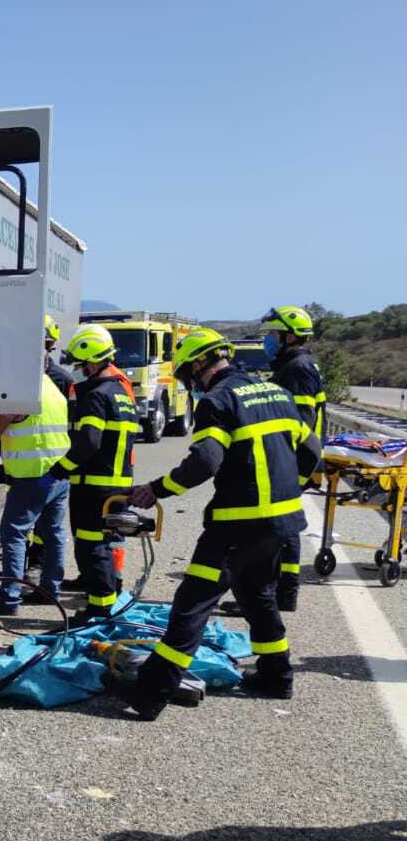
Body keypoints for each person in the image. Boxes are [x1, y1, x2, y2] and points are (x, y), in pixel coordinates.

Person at [110, 328, 320, 718]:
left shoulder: (218, 401)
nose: (189, 379)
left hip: (235, 526)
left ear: (200, 364)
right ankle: (277, 676)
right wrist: (288, 492)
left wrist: (156, 489)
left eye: (188, 370)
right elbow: (312, 451)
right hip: (282, 524)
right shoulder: (278, 393)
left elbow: (205, 462)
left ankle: (150, 692)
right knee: (258, 596)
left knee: (192, 604)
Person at [0, 369, 71, 615]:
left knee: (14, 535)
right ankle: (50, 590)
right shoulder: (51, 386)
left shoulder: (21, 390)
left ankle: (9, 599)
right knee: (53, 534)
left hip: (31, 476)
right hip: (58, 473)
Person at [50, 324, 139, 626]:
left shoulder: (96, 395)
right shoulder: (121, 393)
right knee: (106, 543)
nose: (76, 370)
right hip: (118, 484)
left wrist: (62, 467)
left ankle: (99, 610)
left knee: (92, 546)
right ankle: (106, 598)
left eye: (78, 363)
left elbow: (89, 440)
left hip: (95, 486)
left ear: (91, 360)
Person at [262, 305, 325, 612]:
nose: (268, 340)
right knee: (281, 529)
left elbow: (302, 421)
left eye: (273, 334)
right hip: (293, 458)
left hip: (294, 459)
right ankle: (276, 592)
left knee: (284, 530)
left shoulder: (297, 368)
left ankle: (283, 594)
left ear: (289, 336)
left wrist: (287, 464)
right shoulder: (293, 364)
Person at [27, 316, 76, 575]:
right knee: (37, 522)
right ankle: (37, 568)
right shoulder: (21, 376)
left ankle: (37, 563)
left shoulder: (62, 379)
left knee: (44, 526)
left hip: (52, 465)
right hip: (27, 462)